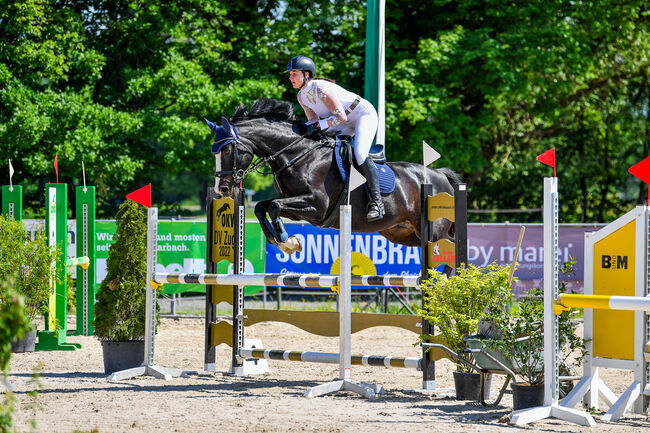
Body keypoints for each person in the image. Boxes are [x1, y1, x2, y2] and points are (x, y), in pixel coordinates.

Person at [286, 55, 384, 222]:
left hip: (362, 115)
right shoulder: (301, 97)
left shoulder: (321, 88)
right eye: (290, 74)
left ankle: (377, 202)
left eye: (294, 73)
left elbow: (340, 117)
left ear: (307, 74)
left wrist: (319, 126)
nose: (290, 78)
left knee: (360, 153)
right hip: (341, 122)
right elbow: (313, 121)